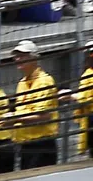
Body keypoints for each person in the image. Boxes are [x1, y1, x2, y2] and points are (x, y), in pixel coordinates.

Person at [7, 40, 60, 170]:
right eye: (17, 56)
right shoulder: (22, 83)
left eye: (23, 56)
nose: (18, 59)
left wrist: (15, 118)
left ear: (34, 58)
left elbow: (44, 116)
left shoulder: (44, 81)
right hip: (26, 143)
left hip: (41, 143)